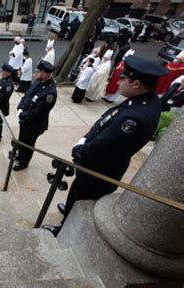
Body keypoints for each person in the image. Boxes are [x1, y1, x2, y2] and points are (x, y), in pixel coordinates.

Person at [42, 56, 168, 237]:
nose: (118, 81)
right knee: (77, 194)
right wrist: (86, 138)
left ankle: (66, 228)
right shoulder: (143, 100)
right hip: (98, 164)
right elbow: (106, 121)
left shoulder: (135, 119)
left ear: (136, 84)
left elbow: (103, 146)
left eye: (123, 78)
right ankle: (70, 212)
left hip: (99, 171)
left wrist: (79, 150)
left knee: (82, 197)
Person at [13, 60, 57, 171]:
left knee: (29, 143)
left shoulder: (50, 93)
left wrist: (22, 114)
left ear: (45, 73)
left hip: (34, 124)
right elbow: (27, 95)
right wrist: (20, 107)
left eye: (38, 71)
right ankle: (20, 154)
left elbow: (38, 113)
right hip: (24, 119)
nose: (35, 73)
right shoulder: (38, 81)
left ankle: (24, 162)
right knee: (22, 139)